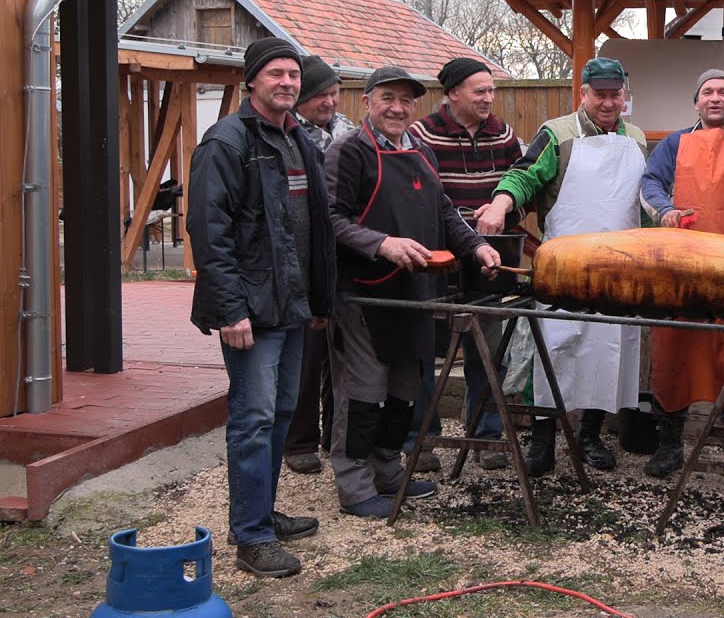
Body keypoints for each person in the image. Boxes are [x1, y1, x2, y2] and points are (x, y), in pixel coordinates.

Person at [188, 37, 336, 578]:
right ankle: (250, 537)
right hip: (250, 308)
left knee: (276, 416)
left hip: (293, 306)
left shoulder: (298, 137)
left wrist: (318, 300)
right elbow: (209, 231)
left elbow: (315, 226)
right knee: (251, 419)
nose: (287, 83)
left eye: (293, 76)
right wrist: (230, 310)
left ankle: (261, 515)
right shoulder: (227, 142)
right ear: (252, 81)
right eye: (276, 74)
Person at [325, 65, 501, 519]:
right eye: (387, 98)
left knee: (404, 391)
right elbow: (331, 219)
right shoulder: (349, 152)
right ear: (366, 103)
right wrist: (381, 243)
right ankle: (354, 484)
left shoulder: (419, 151)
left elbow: (444, 213)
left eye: (406, 100)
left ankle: (387, 471)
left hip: (416, 292)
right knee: (365, 390)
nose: (398, 108)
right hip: (365, 293)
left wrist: (477, 246)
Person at [474, 57, 647, 476]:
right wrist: (501, 203)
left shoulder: (638, 138)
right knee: (553, 347)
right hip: (564, 265)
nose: (607, 103)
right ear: (583, 93)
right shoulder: (558, 133)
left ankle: (588, 436)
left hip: (619, 269)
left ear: (624, 96)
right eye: (599, 95)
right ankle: (542, 441)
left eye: (615, 95)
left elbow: (648, 199)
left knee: (608, 350)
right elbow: (525, 176)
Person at [638, 69, 724, 479]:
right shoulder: (672, 145)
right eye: (707, 92)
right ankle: (668, 444)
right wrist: (665, 212)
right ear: (695, 102)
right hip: (682, 267)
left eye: (723, 92)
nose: (715, 98)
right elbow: (650, 184)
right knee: (673, 354)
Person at [405, 57, 525, 473]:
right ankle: (420, 440)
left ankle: (486, 436)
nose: (489, 99)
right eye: (480, 91)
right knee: (423, 352)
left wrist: (504, 208)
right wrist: (458, 229)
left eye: (492, 91)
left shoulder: (505, 135)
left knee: (489, 351)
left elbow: (522, 180)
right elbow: (420, 197)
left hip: (489, 262)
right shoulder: (421, 135)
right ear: (453, 93)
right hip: (437, 261)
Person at [283, 54, 356, 476]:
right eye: (319, 96)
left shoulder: (349, 130)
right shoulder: (290, 134)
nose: (329, 102)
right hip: (306, 256)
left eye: (333, 93)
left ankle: (336, 435)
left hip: (346, 253)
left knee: (342, 352)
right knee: (307, 355)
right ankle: (300, 440)